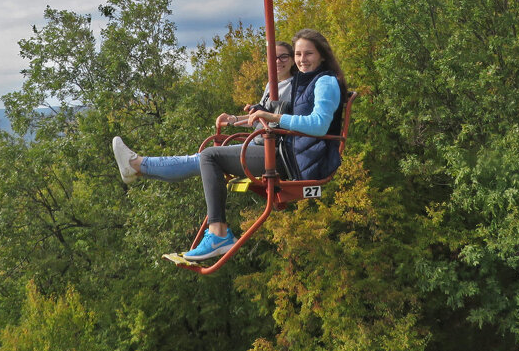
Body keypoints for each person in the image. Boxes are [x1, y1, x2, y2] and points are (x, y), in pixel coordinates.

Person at [159, 28, 347, 262]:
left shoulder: (325, 82)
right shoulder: (305, 82)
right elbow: (285, 112)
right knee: (210, 157)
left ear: (322, 55)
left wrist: (274, 119)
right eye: (298, 54)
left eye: (308, 54)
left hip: (295, 161)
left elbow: (318, 125)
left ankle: (218, 234)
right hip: (289, 152)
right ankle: (146, 169)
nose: (302, 60)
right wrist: (251, 116)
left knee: (210, 157)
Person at [112, 41, 297, 183]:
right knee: (200, 160)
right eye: (273, 57)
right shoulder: (271, 85)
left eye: (283, 57)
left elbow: (274, 118)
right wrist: (233, 119)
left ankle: (138, 165)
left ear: (292, 59)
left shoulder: (293, 87)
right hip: (260, 143)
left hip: (271, 150)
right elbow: (259, 116)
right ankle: (138, 168)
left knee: (204, 158)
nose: (277, 61)